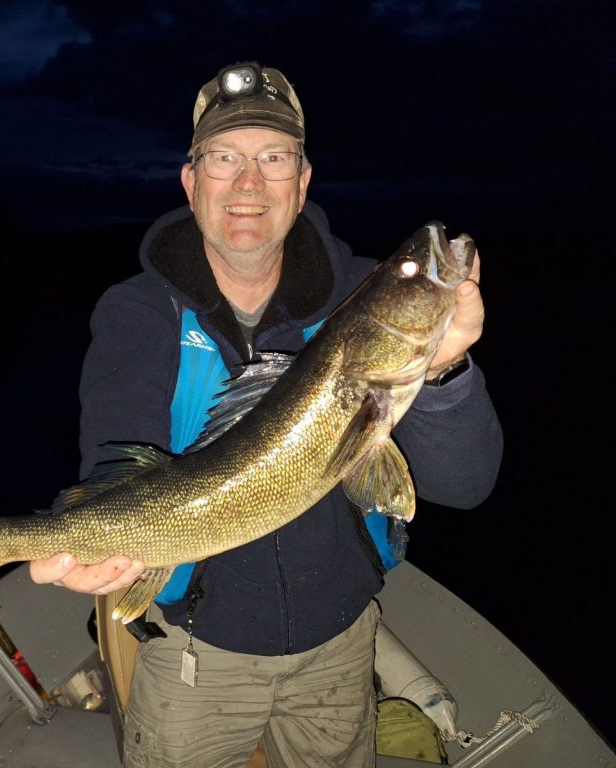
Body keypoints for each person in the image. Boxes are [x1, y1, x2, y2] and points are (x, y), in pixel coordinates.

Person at [30, 61, 503, 767]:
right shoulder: (136, 313)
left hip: (342, 648)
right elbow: (115, 457)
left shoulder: (357, 294)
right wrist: (93, 547)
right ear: (192, 184)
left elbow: (465, 486)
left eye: (273, 159)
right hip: (194, 659)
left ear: (302, 182)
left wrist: (443, 366)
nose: (248, 183)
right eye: (225, 158)